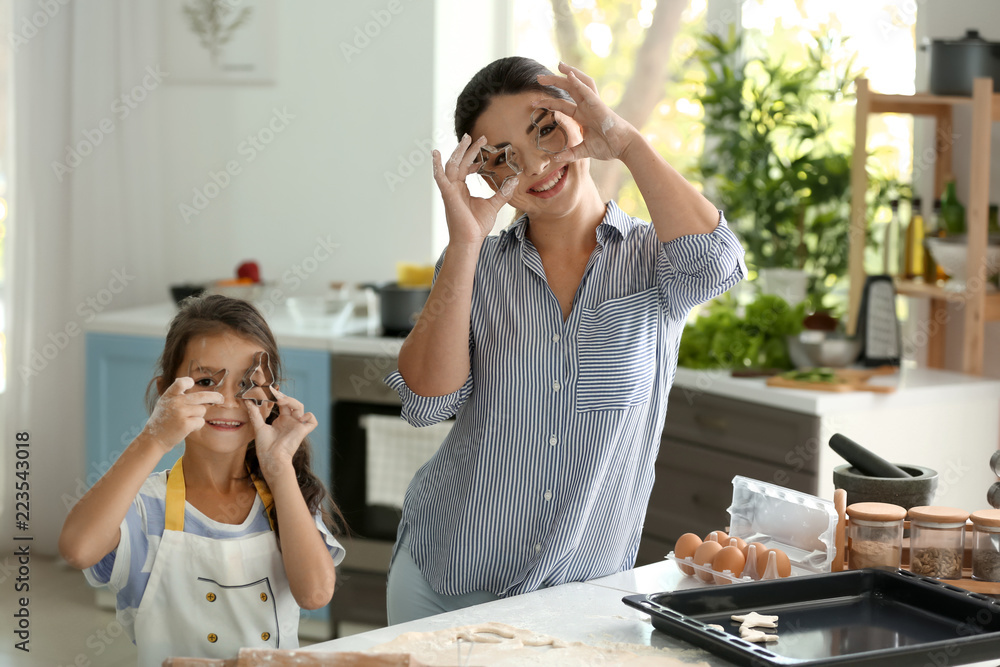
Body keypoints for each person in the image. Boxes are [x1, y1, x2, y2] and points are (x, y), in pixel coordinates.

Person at [383, 57, 747, 623]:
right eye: (503, 158)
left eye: (545, 128)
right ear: (483, 175)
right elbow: (428, 402)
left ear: (579, 119)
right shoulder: (476, 268)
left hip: (580, 597)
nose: (536, 167)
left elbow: (718, 265)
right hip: (445, 577)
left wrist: (624, 140)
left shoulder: (654, 262)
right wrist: (463, 246)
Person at [59, 294, 346, 667]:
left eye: (249, 383)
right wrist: (155, 438)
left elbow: (316, 593)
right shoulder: (144, 510)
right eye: (207, 380)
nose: (228, 401)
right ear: (166, 392)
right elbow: (77, 548)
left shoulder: (285, 496)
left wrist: (279, 468)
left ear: (272, 398)